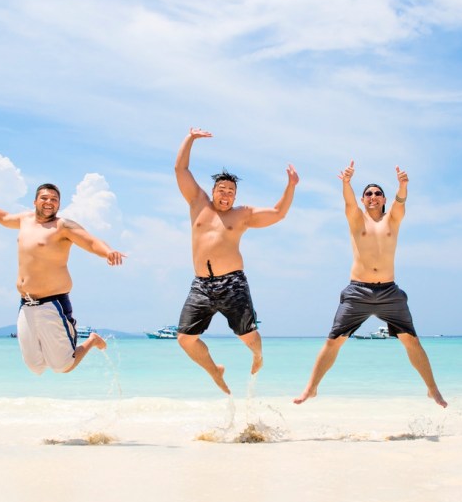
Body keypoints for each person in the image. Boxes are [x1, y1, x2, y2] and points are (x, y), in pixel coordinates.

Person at [294, 162, 447, 407]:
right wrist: (346, 183)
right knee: (334, 340)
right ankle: (311, 388)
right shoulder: (356, 219)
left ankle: (432, 390)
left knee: (412, 341)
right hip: (358, 291)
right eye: (368, 194)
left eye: (377, 193)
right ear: (363, 200)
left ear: (384, 198)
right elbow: (348, 202)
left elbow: (401, 203)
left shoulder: (392, 220)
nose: (373, 196)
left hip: (389, 291)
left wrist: (403, 185)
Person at [174, 128, 298, 394]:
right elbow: (180, 169)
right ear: (213, 190)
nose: (226, 194)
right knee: (185, 339)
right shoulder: (198, 203)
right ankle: (215, 371)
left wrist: (290, 186)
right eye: (222, 189)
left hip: (233, 284)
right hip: (201, 285)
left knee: (248, 337)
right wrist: (190, 139)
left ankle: (258, 356)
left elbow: (278, 213)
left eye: (231, 191)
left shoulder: (243, 215)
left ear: (235, 195)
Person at [0, 179, 124, 375]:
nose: (49, 202)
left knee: (62, 366)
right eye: (44, 198)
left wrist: (108, 252)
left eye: (54, 199)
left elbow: (92, 241)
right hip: (26, 304)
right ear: (35, 201)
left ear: (59, 204)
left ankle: (92, 340)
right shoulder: (24, 220)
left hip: (53, 304)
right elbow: (4, 217)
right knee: (34, 366)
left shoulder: (63, 226)